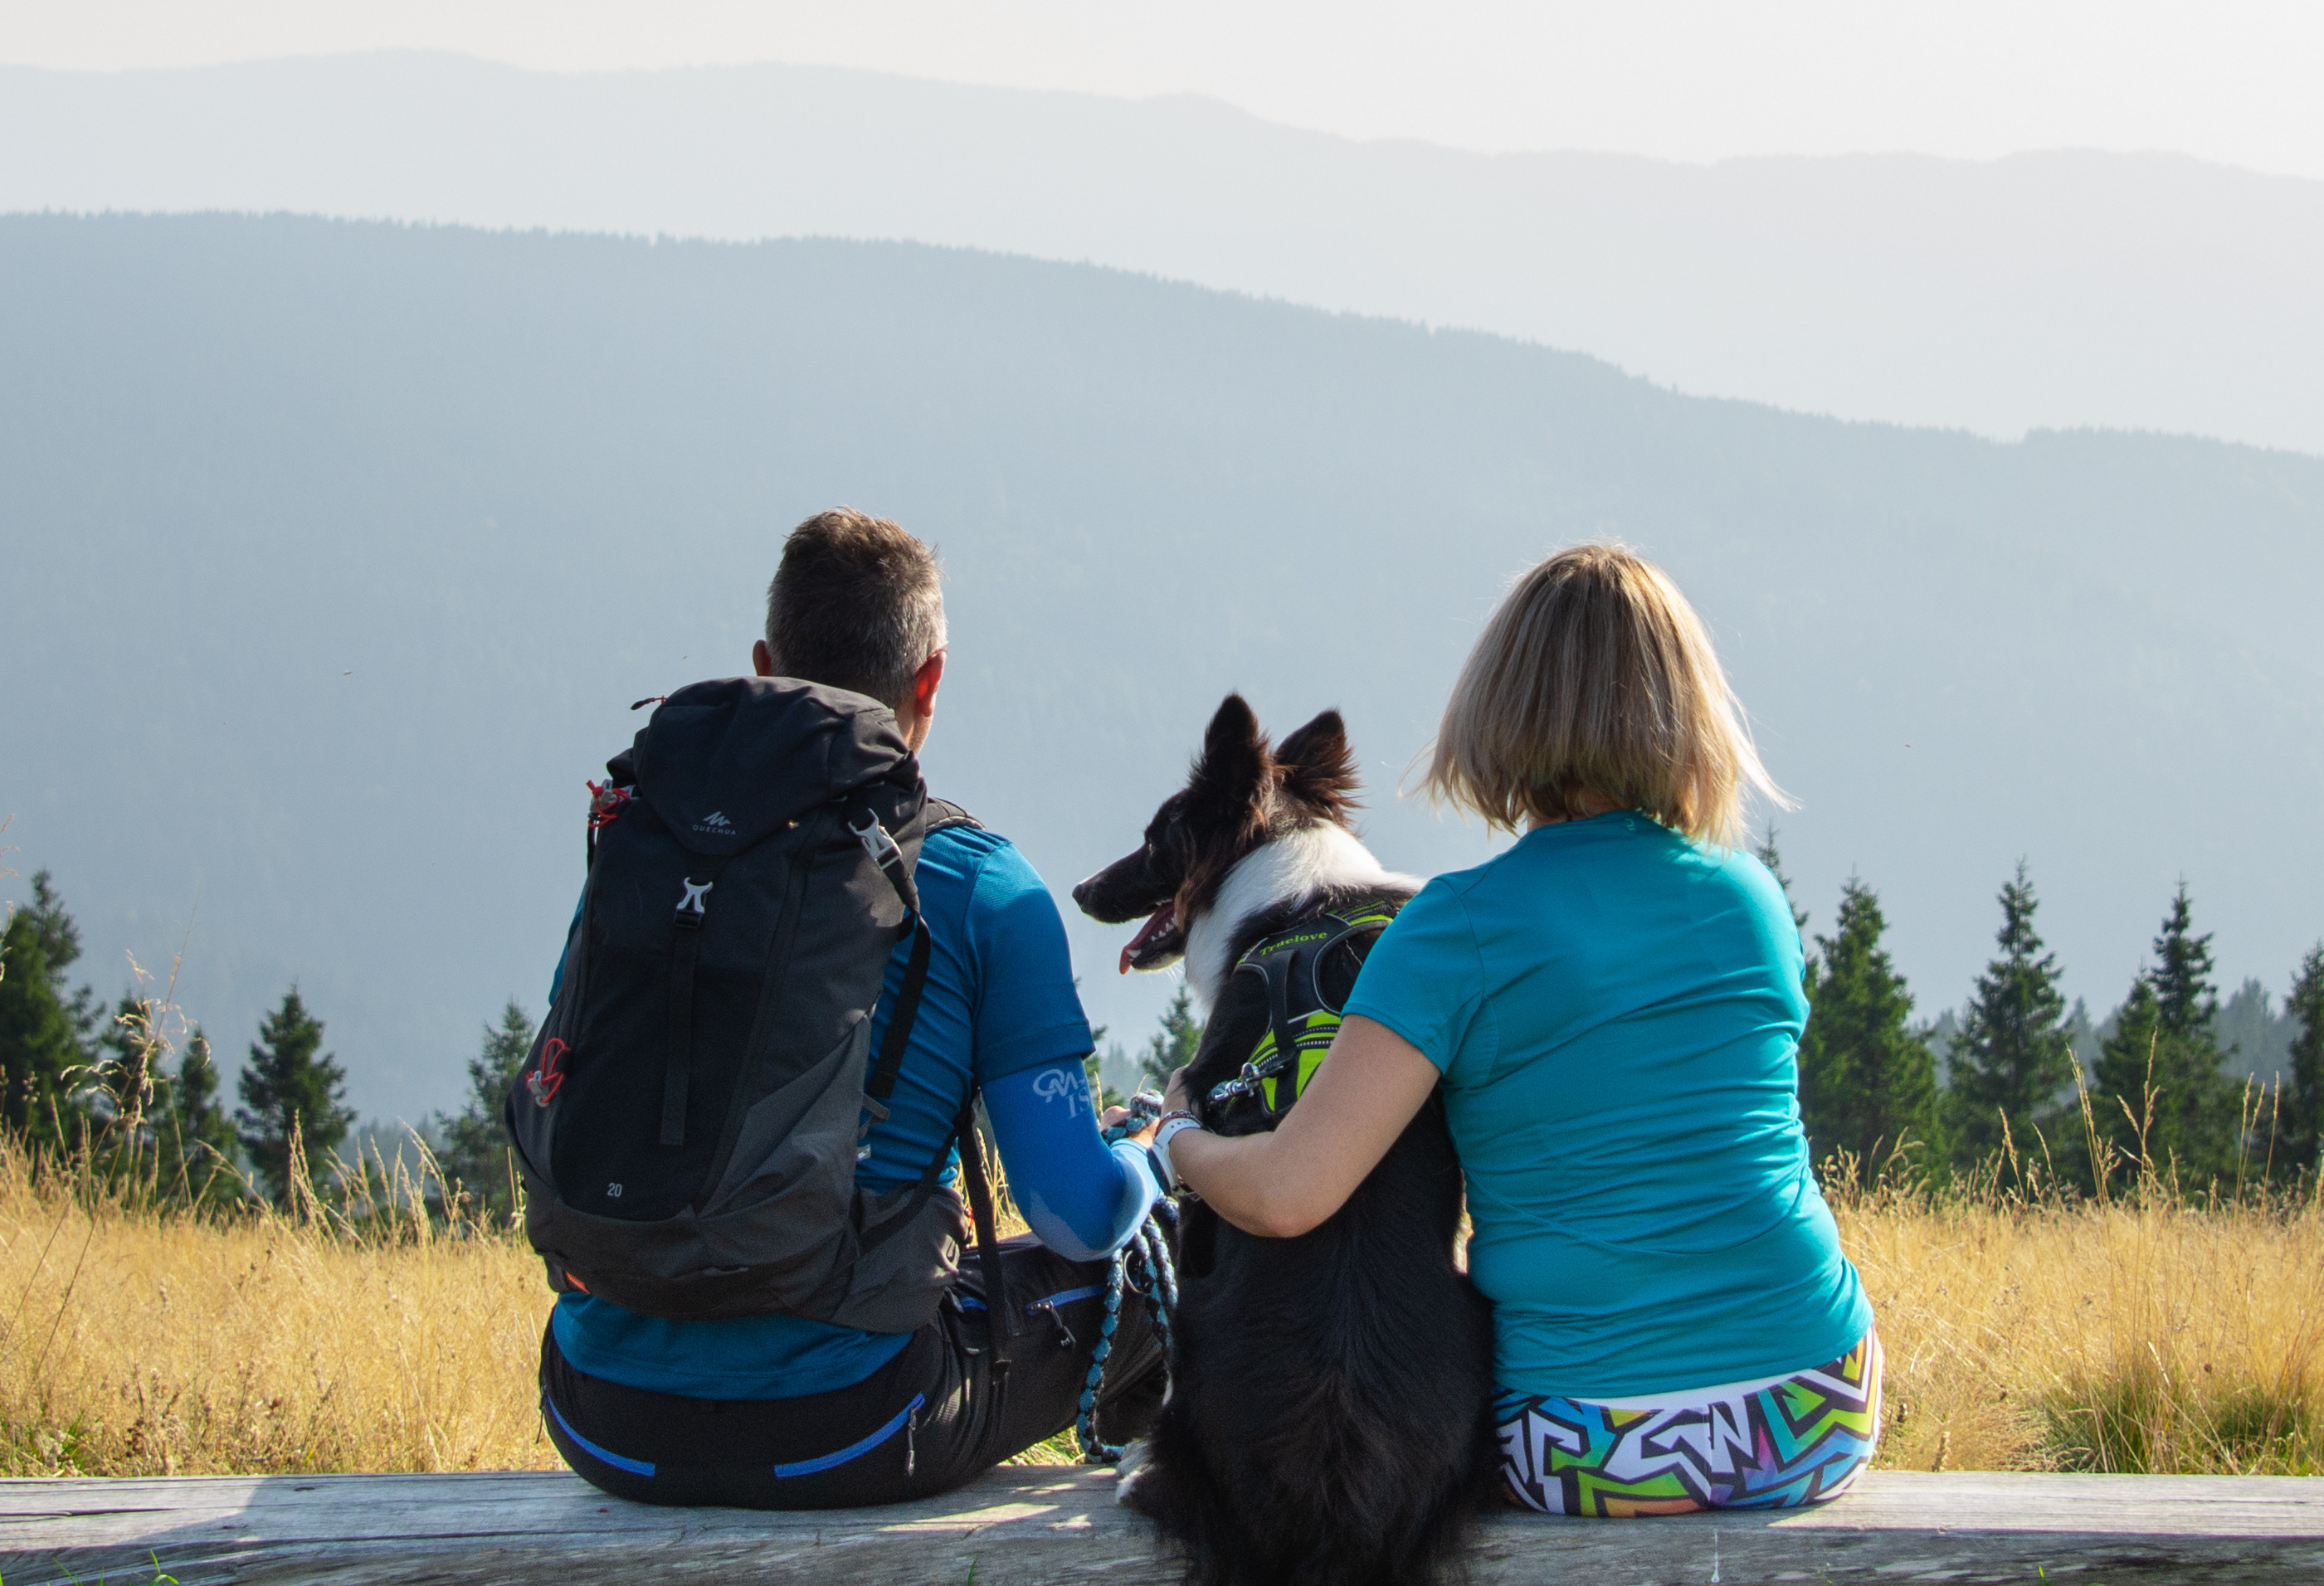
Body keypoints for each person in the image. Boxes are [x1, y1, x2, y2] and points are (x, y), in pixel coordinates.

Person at [1155, 542, 1878, 1519]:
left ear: (1499, 709)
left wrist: (1178, 1137)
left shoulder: (1452, 929)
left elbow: (1288, 1194)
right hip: (1814, 1405)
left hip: (1588, 1438)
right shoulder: (1751, 900)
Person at [532, 508, 1166, 1506]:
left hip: (597, 1412)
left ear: (764, 662)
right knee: (1172, 1259)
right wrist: (1152, 1160)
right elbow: (1075, 1216)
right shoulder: (981, 885)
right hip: (853, 1424)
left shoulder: (643, 838)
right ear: (930, 681)